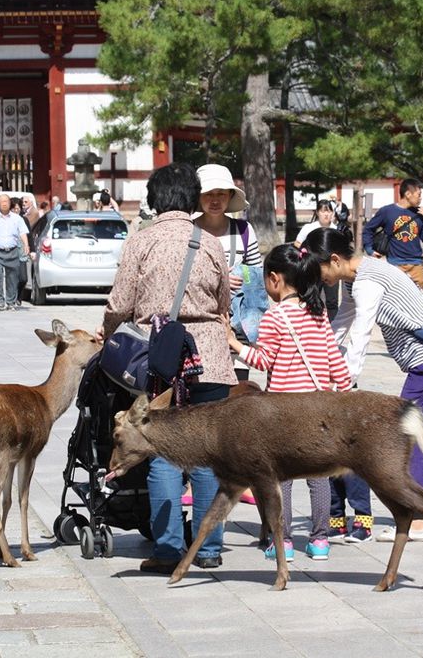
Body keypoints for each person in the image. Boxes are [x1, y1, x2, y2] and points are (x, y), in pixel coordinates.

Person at [99, 162, 235, 574]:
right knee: (210, 455)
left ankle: (169, 549)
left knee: (161, 456)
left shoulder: (141, 242)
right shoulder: (209, 243)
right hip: (208, 358)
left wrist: (108, 334)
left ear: (154, 200)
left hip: (159, 361)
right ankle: (209, 548)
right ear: (192, 198)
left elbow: (120, 303)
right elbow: (224, 302)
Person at [305, 227, 423, 543]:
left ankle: (415, 520)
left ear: (334, 260)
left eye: (319, 271)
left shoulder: (367, 281)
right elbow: (342, 323)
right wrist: (319, 351)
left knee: (405, 434)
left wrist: (346, 382)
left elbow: (361, 332)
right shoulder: (357, 279)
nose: (320, 279)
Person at [225, 244, 351, 562]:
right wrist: (346, 390)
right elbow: (335, 359)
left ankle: (284, 542)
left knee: (283, 478)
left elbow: (264, 361)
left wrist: (235, 345)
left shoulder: (274, 318)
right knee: (318, 476)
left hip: (283, 412)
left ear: (275, 279)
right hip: (319, 407)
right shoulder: (318, 313)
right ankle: (320, 541)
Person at [194, 163, 262, 505]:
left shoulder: (245, 231)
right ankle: (200, 475)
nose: (215, 200)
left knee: (237, 399)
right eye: (209, 194)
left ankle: (238, 476)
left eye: (221, 194)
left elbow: (258, 276)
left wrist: (242, 278)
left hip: (238, 326)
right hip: (203, 324)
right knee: (205, 400)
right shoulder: (190, 231)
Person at [362, 178, 423, 289]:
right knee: (395, 300)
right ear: (408, 194)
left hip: (416, 264)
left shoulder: (420, 213)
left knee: (419, 301)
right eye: (419, 194)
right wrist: (369, 249)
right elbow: (368, 229)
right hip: (395, 264)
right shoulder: (387, 211)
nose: (421, 198)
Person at [0, 194, 29, 311]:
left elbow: (23, 232)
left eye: (6, 201)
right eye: (2, 201)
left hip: (12, 251)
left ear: (9, 203)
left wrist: (26, 245)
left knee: (12, 278)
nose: (4, 203)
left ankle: (11, 301)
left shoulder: (17, 218)